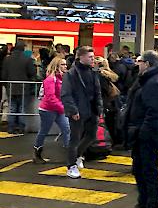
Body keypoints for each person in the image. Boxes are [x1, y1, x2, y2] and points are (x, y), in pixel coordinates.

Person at [122, 51, 158, 208]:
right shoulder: (148, 80)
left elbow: (154, 112)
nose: (137, 64)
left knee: (148, 172)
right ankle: (142, 205)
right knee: (139, 170)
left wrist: (142, 132)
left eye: (140, 61)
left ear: (148, 64)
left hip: (148, 134)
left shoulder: (154, 83)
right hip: (142, 132)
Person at [60, 46, 102, 179]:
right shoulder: (71, 74)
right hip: (78, 111)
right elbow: (66, 94)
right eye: (90, 57)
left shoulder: (93, 72)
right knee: (75, 139)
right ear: (81, 57)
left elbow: (98, 92)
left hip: (92, 110)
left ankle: (78, 155)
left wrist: (99, 108)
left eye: (93, 56)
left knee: (91, 136)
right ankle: (71, 165)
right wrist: (73, 110)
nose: (93, 59)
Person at [33, 56, 70, 164]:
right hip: (48, 110)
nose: (65, 66)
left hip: (58, 109)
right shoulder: (50, 79)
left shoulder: (63, 78)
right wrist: (63, 108)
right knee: (44, 131)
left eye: (65, 64)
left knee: (66, 129)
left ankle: (70, 154)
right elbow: (50, 97)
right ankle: (37, 153)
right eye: (62, 64)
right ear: (57, 66)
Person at [1, 41, 37, 134]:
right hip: (24, 87)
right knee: (22, 108)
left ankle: (11, 127)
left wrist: (6, 85)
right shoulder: (27, 59)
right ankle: (20, 128)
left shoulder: (7, 59)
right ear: (23, 48)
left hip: (10, 86)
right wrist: (30, 84)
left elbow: (3, 75)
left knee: (12, 108)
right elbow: (32, 74)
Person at [94, 56, 120, 145]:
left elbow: (101, 90)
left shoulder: (100, 75)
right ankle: (115, 140)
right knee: (112, 123)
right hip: (113, 102)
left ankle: (108, 141)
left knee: (107, 124)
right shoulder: (110, 74)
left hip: (106, 102)